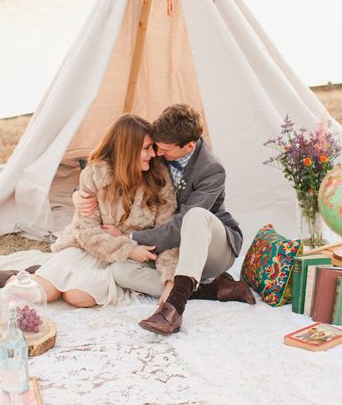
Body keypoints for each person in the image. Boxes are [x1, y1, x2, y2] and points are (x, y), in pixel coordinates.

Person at [76, 104, 255, 335]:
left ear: (188, 146)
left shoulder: (212, 169)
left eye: (164, 150)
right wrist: (79, 194)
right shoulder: (162, 146)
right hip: (170, 249)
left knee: (195, 216)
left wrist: (130, 238)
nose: (157, 154)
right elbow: (117, 162)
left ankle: (173, 309)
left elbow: (180, 226)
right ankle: (213, 290)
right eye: (155, 147)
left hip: (211, 248)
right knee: (121, 271)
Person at [0, 115, 179, 308]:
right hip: (90, 246)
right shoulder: (96, 173)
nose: (153, 154)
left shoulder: (159, 179)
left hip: (123, 259)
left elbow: (168, 233)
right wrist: (126, 248)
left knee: (78, 297)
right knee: (40, 293)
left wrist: (169, 278)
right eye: (147, 148)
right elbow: (86, 230)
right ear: (128, 149)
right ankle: (12, 278)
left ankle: (38, 273)